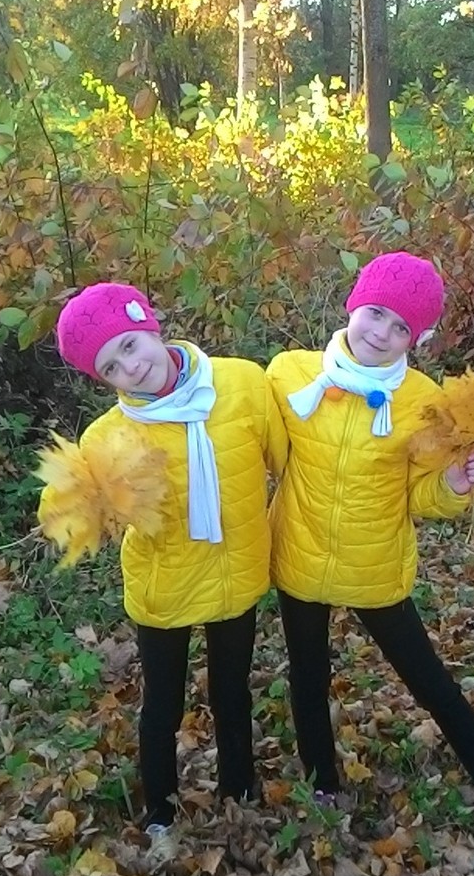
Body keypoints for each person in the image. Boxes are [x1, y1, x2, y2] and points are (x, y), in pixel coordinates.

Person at [266, 252, 474, 867]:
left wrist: (453, 483)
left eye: (401, 327)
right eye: (375, 313)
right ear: (353, 305)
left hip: (375, 566)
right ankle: (323, 781)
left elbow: (421, 495)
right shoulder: (290, 374)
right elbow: (260, 450)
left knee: (431, 683)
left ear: (415, 339)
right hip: (300, 558)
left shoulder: (423, 401)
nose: (382, 333)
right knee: (308, 675)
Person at [38, 282, 288, 842]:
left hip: (237, 571)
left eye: (129, 345)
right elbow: (65, 507)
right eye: (111, 367)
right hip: (164, 586)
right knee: (162, 704)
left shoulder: (242, 384)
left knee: (232, 692)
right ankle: (160, 811)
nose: (130, 367)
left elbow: (287, 462)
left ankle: (239, 790)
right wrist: (83, 504)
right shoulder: (109, 436)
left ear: (150, 327)